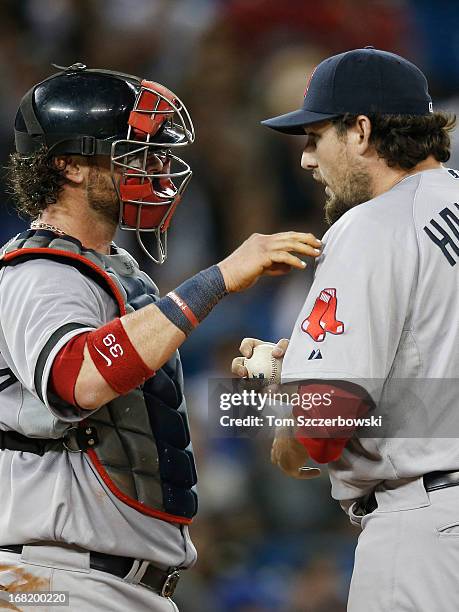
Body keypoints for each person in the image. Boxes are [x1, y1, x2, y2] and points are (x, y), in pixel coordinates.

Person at [0, 63, 322, 611]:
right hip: (54, 580)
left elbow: (145, 416)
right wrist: (217, 279)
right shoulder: (38, 272)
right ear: (70, 165)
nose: (156, 168)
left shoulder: (113, 272)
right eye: (134, 152)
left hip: (106, 582)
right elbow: (75, 377)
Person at [232, 47, 459, 611]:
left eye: (314, 138)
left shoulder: (372, 225)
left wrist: (288, 390)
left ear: (360, 131)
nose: (307, 160)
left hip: (427, 537)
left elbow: (321, 426)